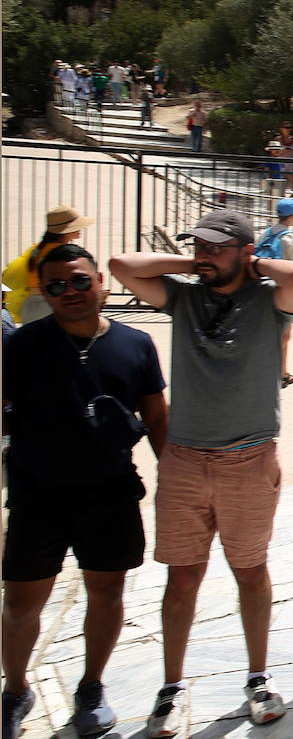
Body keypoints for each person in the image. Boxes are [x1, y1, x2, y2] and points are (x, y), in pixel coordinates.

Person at [109, 210, 293, 736]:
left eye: (215, 247)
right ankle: (172, 687)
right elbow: (120, 265)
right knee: (182, 577)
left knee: (250, 570)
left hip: (249, 458)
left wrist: (248, 260)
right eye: (197, 245)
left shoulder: (268, 302)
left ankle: (258, 677)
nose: (203, 254)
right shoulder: (184, 297)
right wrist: (198, 262)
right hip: (184, 458)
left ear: (246, 252)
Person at [2, 245, 168, 738]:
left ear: (101, 281)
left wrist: (174, 478)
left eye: (78, 281)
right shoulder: (22, 345)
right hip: (38, 497)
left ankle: (92, 687)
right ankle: (14, 691)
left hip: (110, 495)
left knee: (106, 594)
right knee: (20, 603)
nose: (69, 293)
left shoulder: (137, 344)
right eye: (55, 286)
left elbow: (156, 416)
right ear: (43, 293)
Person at [3, 205, 96, 325]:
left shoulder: (40, 248)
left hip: (33, 305)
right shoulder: (58, 252)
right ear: (65, 230)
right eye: (76, 226)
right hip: (48, 305)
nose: (80, 229)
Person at [258, 198, 293, 388]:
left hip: (262, 289)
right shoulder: (291, 239)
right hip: (282, 293)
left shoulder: (265, 234)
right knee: (284, 335)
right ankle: (282, 373)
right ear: (292, 216)